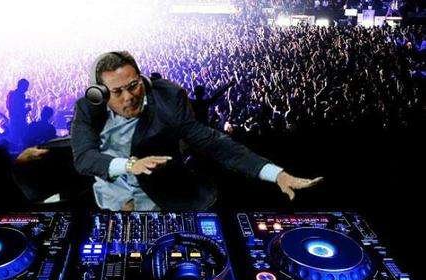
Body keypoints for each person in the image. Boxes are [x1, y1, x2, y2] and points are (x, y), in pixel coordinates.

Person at [68, 51, 322, 211]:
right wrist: (130, 165)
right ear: (100, 94)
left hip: (162, 196)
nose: (129, 97)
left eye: (133, 85)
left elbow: (213, 142)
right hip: (110, 198)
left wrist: (276, 174)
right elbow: (84, 158)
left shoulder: (167, 99)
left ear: (142, 80)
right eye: (117, 91)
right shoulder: (88, 108)